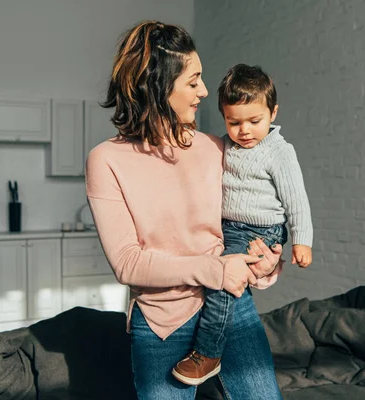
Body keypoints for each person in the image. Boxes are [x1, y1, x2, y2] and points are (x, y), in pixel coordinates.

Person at [85, 21, 285, 399]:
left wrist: (263, 262)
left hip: (230, 309)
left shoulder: (216, 148)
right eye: (193, 81)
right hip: (161, 321)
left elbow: (244, 223)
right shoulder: (106, 160)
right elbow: (128, 262)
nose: (205, 92)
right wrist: (216, 269)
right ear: (158, 85)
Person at [172, 64, 314, 386]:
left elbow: (297, 200)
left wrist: (302, 241)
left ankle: (208, 353)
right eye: (234, 122)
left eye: (254, 121)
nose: (244, 130)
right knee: (205, 272)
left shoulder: (279, 152)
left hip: (259, 231)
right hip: (227, 226)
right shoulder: (227, 145)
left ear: (273, 112)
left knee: (222, 280)